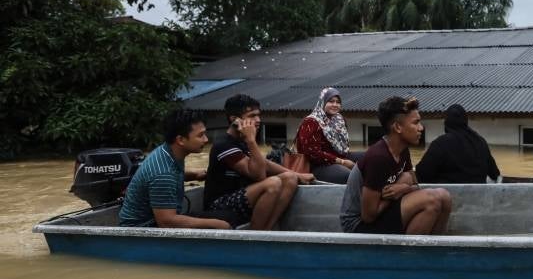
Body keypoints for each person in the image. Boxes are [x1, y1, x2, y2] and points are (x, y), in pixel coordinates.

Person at [340, 96, 452, 235]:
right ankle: (407, 255)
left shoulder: (402, 150)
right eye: (416, 123)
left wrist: (403, 188)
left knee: (445, 197)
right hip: (358, 226)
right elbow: (368, 216)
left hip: (381, 212)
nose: (421, 128)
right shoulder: (378, 158)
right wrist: (396, 194)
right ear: (398, 127)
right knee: (431, 201)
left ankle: (436, 250)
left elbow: (415, 184)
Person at [203, 94, 315, 230]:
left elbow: (264, 163)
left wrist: (297, 174)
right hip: (219, 205)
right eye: (251, 116)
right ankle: (256, 234)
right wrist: (251, 140)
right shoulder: (224, 145)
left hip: (243, 197)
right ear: (234, 119)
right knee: (272, 183)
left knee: (290, 178)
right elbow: (258, 175)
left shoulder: (242, 141)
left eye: (258, 115)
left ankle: (267, 229)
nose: (258, 120)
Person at [118, 109, 230, 229]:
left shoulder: (168, 151)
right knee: (223, 221)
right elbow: (166, 222)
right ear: (180, 140)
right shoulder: (163, 173)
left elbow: (171, 173)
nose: (206, 139)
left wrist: (193, 174)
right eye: (200, 135)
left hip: (158, 221)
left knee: (226, 216)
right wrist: (218, 225)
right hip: (143, 232)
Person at [415, 104, 500, 184]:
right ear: (465, 121)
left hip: (447, 197)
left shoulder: (441, 143)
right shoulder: (481, 142)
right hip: (478, 195)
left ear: (447, 122)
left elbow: (421, 174)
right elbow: (495, 174)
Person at [295, 87, 364, 183]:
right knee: (348, 175)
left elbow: (343, 149)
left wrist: (342, 160)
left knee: (368, 157)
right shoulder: (311, 122)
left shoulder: (339, 120)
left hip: (338, 158)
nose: (335, 105)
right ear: (323, 102)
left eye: (338, 102)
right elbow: (313, 153)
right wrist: (342, 162)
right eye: (331, 101)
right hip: (317, 166)